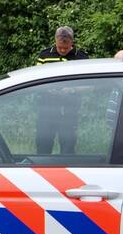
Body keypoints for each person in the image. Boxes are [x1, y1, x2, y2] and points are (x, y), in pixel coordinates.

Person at [34, 26, 89, 156]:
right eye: (60, 47)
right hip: (46, 110)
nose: (63, 50)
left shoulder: (81, 57)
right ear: (55, 41)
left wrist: (72, 90)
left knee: (68, 147)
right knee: (43, 146)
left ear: (72, 43)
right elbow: (35, 81)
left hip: (70, 111)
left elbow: (89, 85)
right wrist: (48, 88)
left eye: (66, 47)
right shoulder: (44, 55)